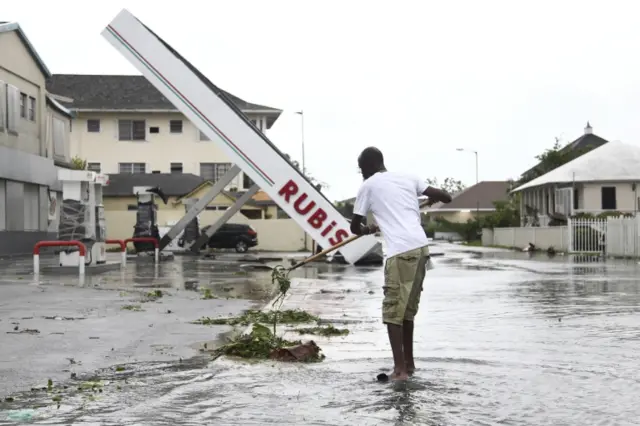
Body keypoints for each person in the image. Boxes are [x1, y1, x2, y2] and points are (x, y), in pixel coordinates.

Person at [350, 147, 452, 381]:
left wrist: (367, 229)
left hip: (400, 252)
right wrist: (429, 198)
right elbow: (446, 196)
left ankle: (400, 371)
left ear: (366, 167)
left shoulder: (368, 186)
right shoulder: (409, 178)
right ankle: (409, 364)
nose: (361, 174)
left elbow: (354, 227)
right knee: (407, 312)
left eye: (361, 170)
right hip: (421, 249)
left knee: (393, 312)